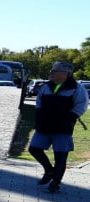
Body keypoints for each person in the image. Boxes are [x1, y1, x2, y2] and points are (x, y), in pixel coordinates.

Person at [28, 61, 88, 194]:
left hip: (63, 128)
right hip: (44, 125)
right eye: (52, 71)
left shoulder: (77, 88)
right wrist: (39, 117)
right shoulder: (46, 86)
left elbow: (82, 105)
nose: (52, 73)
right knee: (34, 149)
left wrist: (69, 118)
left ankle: (55, 183)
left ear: (66, 74)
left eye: (55, 71)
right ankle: (49, 171)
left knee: (60, 156)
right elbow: (38, 103)